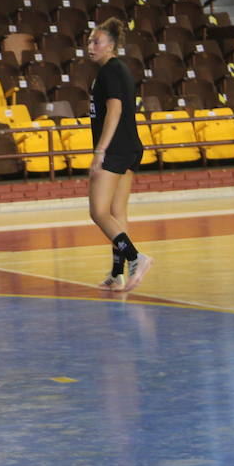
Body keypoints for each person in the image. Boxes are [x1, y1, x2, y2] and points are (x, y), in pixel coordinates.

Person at [86, 18, 153, 291]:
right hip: (129, 147)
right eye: (89, 41)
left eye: (96, 42)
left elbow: (114, 111)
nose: (90, 46)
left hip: (114, 149)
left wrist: (99, 151)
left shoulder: (110, 72)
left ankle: (136, 257)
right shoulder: (118, 70)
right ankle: (117, 273)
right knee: (117, 212)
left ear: (110, 46)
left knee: (98, 212)